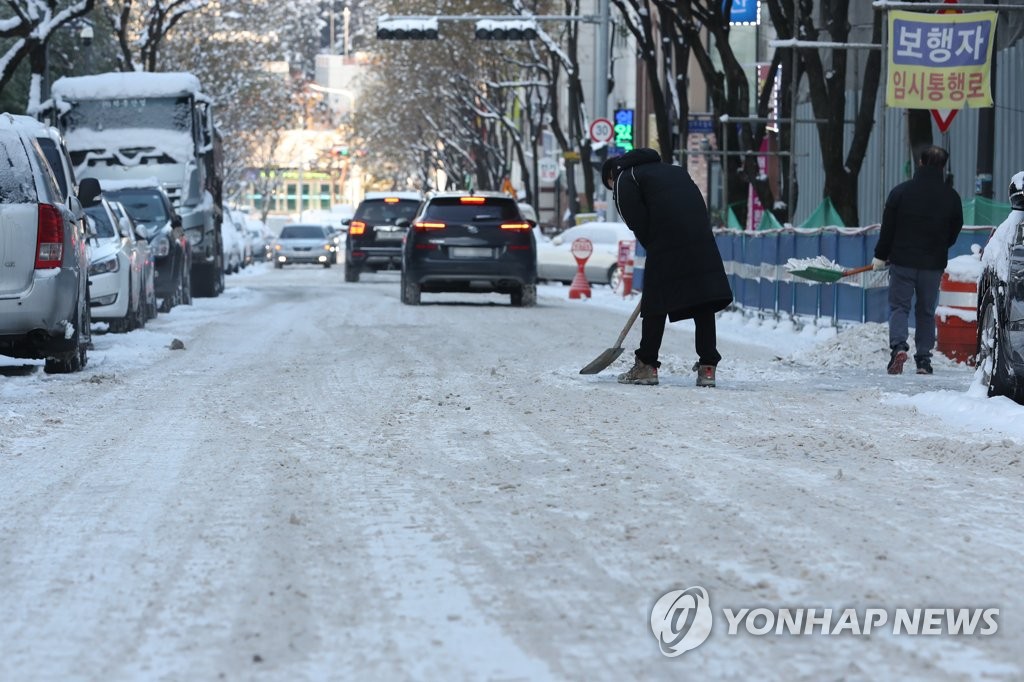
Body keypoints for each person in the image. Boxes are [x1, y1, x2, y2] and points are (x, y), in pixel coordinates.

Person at [601, 148, 733, 387]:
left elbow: (635, 220)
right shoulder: (673, 171)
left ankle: (646, 365)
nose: (613, 191)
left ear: (611, 176)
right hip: (700, 238)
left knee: (654, 303)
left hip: (665, 240)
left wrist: (655, 247)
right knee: (703, 299)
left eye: (610, 187)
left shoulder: (624, 178)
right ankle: (708, 368)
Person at [873, 145, 963, 375]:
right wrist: (940, 247)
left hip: (902, 261)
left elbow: (888, 228)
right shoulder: (951, 197)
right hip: (932, 265)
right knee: (925, 311)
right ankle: (923, 359)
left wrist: (881, 255)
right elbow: (955, 228)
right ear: (943, 167)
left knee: (900, 307)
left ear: (920, 163)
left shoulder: (900, 192)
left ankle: (899, 347)